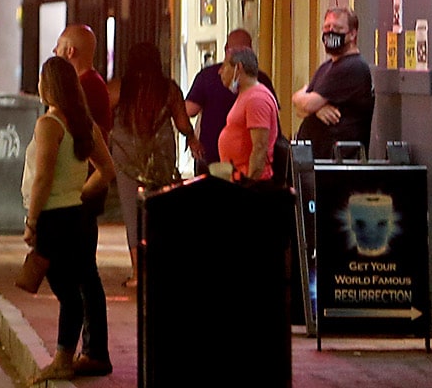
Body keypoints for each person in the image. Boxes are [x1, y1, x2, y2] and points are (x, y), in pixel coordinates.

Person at [22, 56, 117, 382]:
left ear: (47, 86)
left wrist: (32, 221)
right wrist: (80, 192)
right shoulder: (83, 124)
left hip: (54, 217)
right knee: (78, 284)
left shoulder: (49, 125)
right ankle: (73, 354)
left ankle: (63, 358)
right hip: (76, 215)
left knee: (66, 290)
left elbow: (43, 177)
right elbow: (106, 170)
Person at [107, 41, 199, 288]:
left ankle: (138, 273)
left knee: (131, 210)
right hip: (159, 153)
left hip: (126, 153)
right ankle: (159, 269)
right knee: (159, 207)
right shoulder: (168, 89)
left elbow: (102, 113)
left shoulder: (120, 87)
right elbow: (181, 122)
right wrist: (191, 138)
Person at [292, 7, 374, 158]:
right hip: (317, 160)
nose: (331, 32)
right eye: (327, 27)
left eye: (337, 28)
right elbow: (299, 108)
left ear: (352, 34)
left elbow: (307, 104)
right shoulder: (326, 67)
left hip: (338, 163)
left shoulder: (352, 67)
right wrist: (317, 109)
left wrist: (310, 105)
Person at [183, 28, 257, 162]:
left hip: (217, 160)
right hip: (244, 161)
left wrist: (191, 138)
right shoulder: (260, 81)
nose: (221, 73)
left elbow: (187, 110)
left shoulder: (207, 76)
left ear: (226, 49)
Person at [218, 48, 279, 183]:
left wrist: (249, 184)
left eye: (224, 66)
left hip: (251, 182)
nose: (220, 71)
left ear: (238, 68)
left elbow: (259, 147)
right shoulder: (246, 95)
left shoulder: (257, 99)